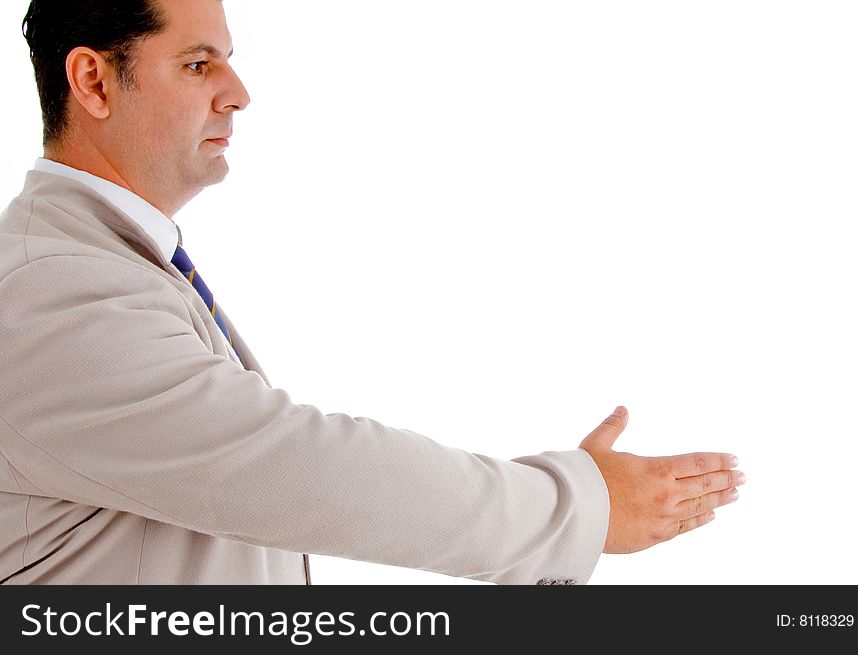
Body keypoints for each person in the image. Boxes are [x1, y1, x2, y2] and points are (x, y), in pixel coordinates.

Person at [0, 0, 744, 585]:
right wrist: (575, 507)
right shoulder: (52, 288)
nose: (238, 93)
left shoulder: (100, 267)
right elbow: (290, 468)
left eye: (226, 61)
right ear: (94, 80)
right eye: (198, 64)